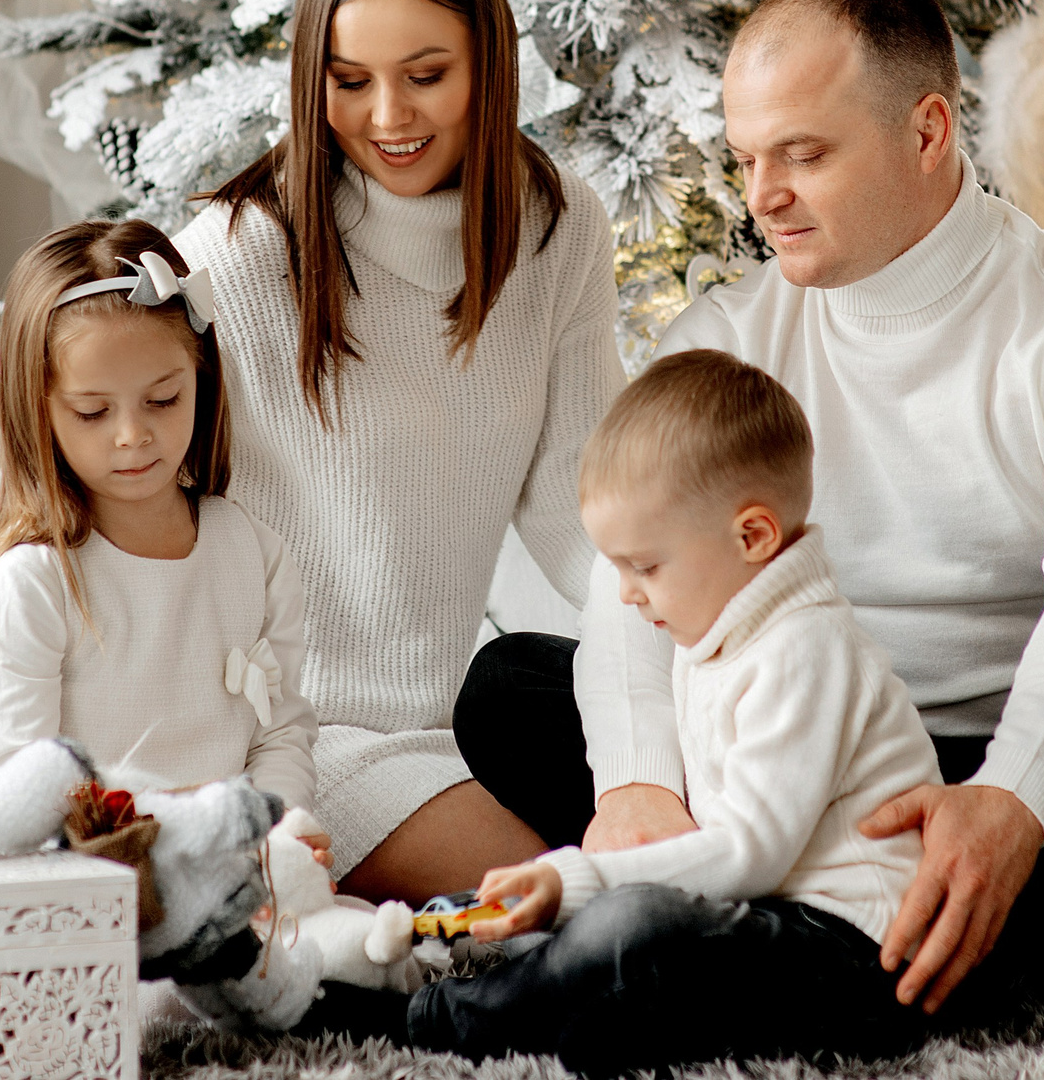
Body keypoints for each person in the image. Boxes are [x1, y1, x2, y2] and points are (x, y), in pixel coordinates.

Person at [459, 0, 1044, 1016]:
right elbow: (628, 585)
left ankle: (773, 947)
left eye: (804, 154)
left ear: (927, 133)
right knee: (511, 684)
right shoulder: (727, 338)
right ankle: (906, 964)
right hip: (783, 763)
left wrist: (1009, 799)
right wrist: (639, 783)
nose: (762, 196)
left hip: (1006, 771)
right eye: (747, 157)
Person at [0, 0, 656, 903]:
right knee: (574, 905)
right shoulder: (242, 253)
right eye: (349, 80)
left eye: (426, 74)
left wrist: (702, 664)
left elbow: (584, 508)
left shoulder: (560, 229)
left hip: (442, 717)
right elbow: (95, 444)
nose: (387, 116)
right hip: (300, 738)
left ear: (488, 65)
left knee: (688, 857)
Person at [388, 350, 939, 1071]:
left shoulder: (807, 650)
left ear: (753, 537)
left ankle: (434, 1016)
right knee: (577, 918)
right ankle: (440, 951)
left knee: (627, 926)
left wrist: (583, 879)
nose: (624, 594)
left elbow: (751, 851)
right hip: (764, 905)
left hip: (856, 955)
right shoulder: (718, 621)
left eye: (644, 566)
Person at [0, 218, 321, 842]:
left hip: (228, 863)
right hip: (80, 872)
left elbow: (282, 736)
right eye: (93, 412)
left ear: (200, 380)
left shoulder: (253, 554)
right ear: (36, 410)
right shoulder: (35, 582)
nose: (132, 436)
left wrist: (272, 829)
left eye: (163, 399)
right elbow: (16, 792)